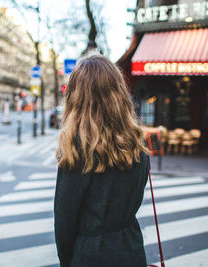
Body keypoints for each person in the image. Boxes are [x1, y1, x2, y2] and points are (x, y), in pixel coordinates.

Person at [54, 54, 150, 267]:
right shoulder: (136, 142)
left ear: (76, 96)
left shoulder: (77, 148)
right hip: (131, 249)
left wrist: (67, 261)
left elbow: (64, 221)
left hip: (91, 255)